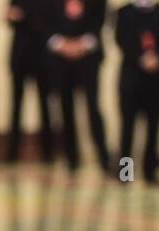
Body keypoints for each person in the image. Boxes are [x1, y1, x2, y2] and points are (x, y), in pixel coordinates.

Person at [47, 0, 110, 173]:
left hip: (88, 59)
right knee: (65, 108)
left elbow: (99, 21)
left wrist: (82, 44)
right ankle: (71, 159)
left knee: (93, 107)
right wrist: (62, 45)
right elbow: (45, 21)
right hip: (60, 60)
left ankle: (104, 158)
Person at [115, 0, 159, 185]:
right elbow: (122, 39)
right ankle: (125, 173)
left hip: (158, 79)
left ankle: (150, 171)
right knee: (128, 128)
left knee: (154, 127)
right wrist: (141, 58)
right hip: (131, 78)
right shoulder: (124, 12)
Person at [4, 0, 55, 163]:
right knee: (16, 105)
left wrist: (25, 16)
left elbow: (50, 22)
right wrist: (12, 16)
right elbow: (11, 19)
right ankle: (11, 152)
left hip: (42, 57)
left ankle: (48, 153)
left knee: (45, 105)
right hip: (20, 56)